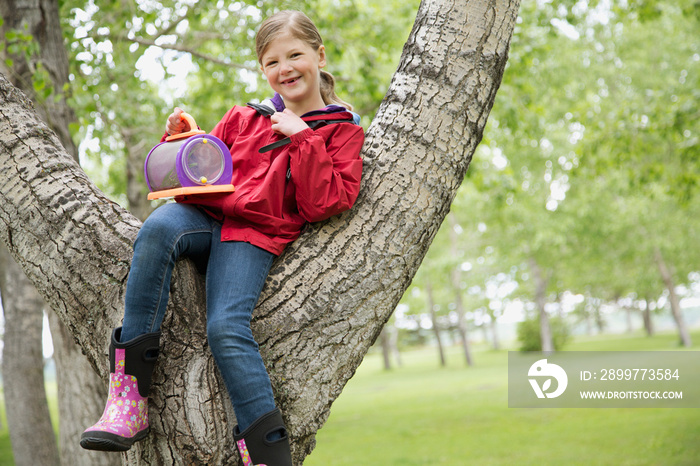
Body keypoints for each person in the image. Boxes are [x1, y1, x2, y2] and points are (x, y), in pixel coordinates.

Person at [79, 10, 364, 466]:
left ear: (319, 55)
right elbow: (203, 170)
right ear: (263, 69)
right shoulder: (245, 116)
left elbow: (324, 203)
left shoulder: (341, 130)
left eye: (295, 55)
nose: (285, 69)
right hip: (205, 217)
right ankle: (128, 402)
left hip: (254, 235)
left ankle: (268, 456)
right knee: (156, 228)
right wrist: (182, 139)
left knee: (225, 327)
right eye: (272, 62)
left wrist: (303, 138)